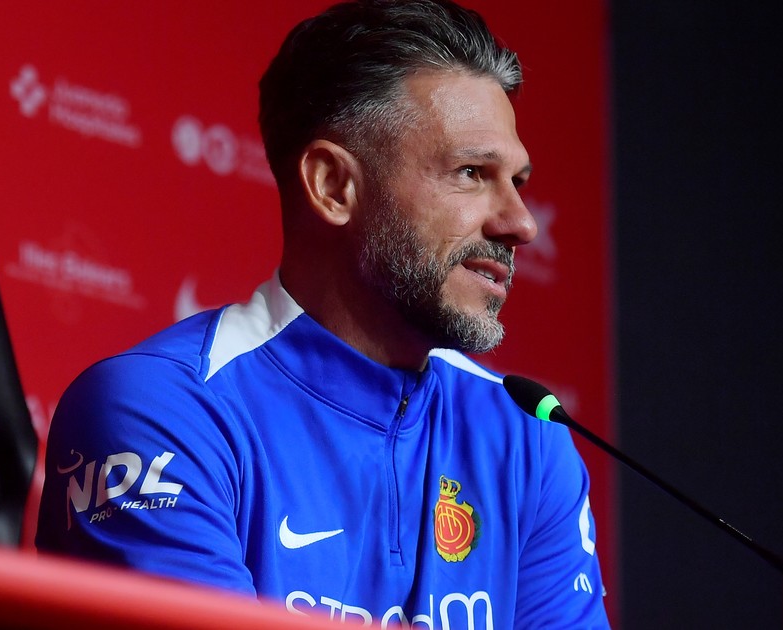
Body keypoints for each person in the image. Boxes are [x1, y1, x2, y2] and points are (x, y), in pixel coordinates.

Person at [36, 0, 609, 627]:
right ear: (334, 187)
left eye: (517, 182)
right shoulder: (161, 411)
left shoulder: (526, 437)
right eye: (471, 173)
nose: (521, 224)